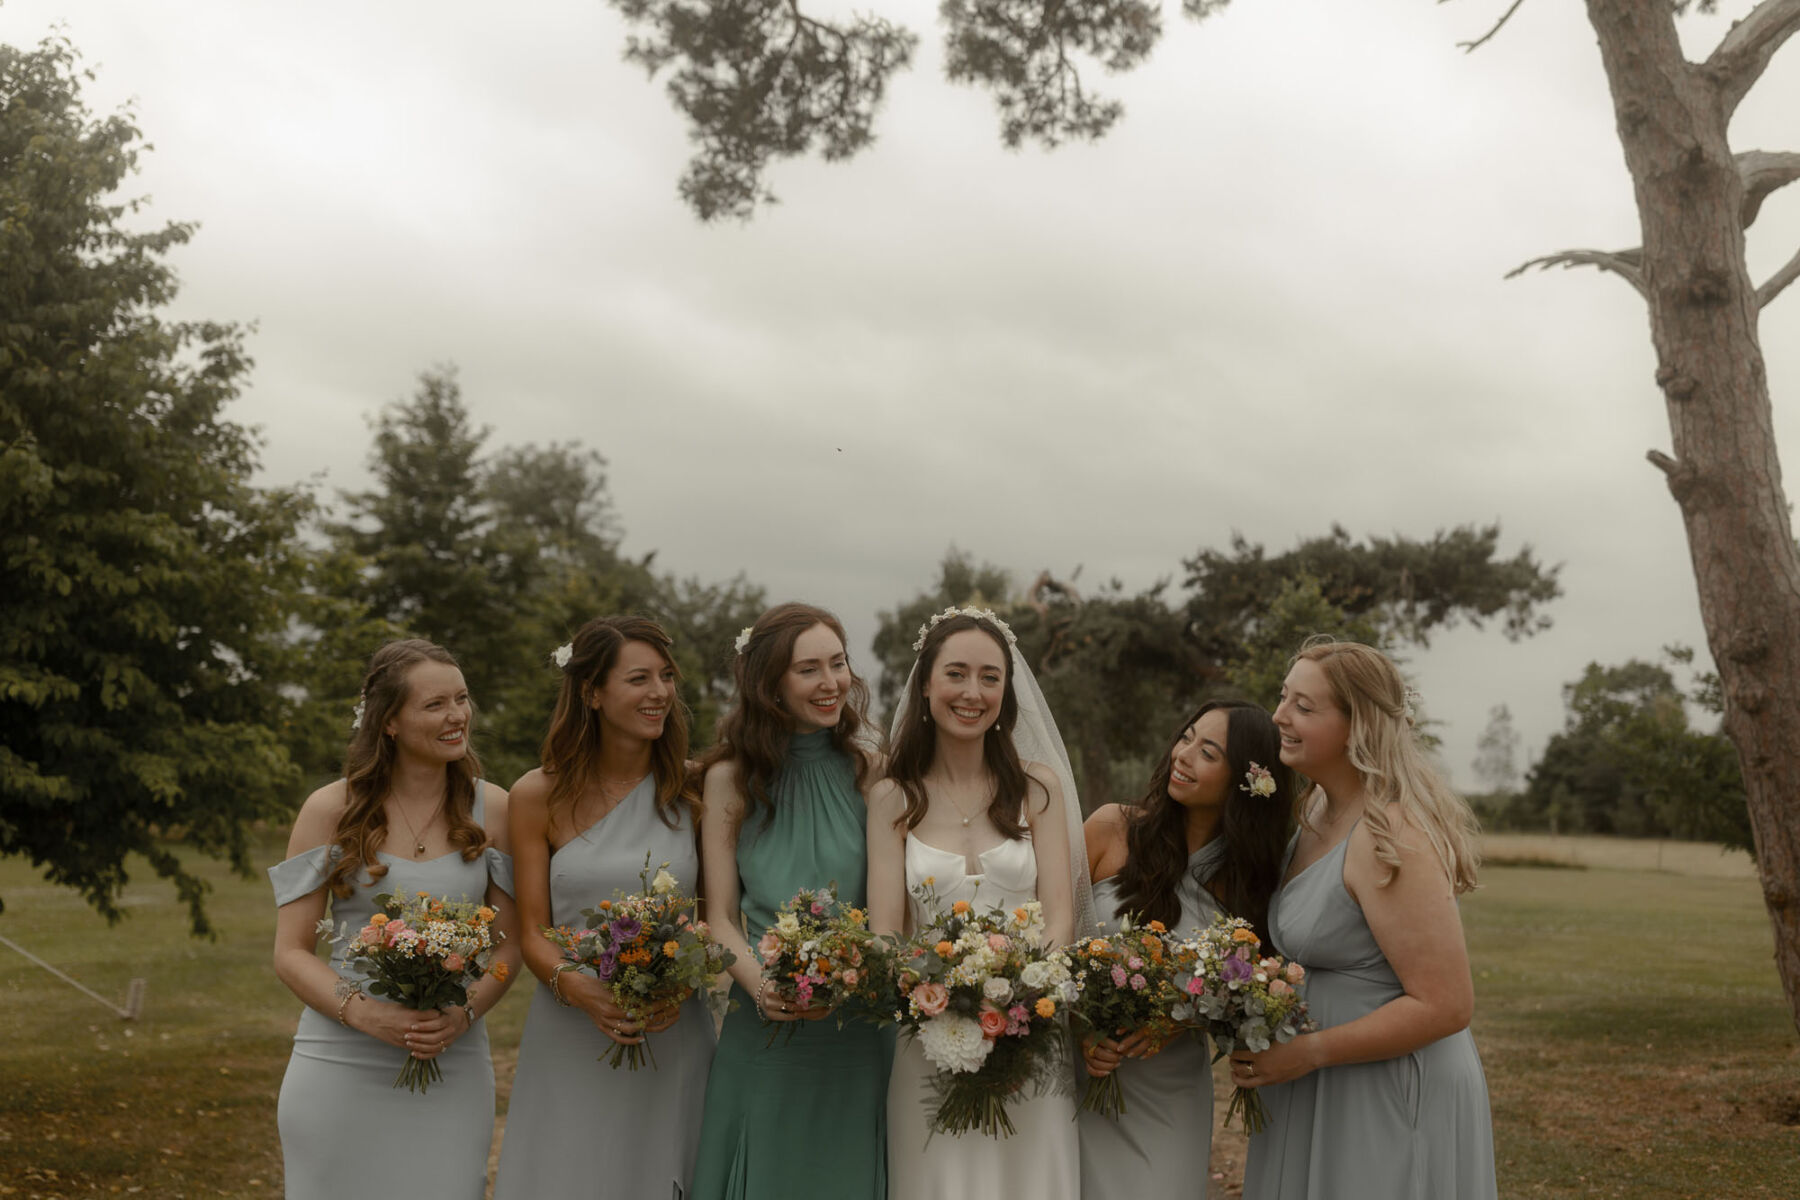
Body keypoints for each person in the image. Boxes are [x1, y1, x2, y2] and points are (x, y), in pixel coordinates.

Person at [1235, 638, 1497, 1200]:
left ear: (1358, 727)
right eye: (1284, 698)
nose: (1279, 715)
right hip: (1321, 1081)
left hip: (1385, 1088)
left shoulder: (1389, 834)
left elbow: (1447, 1003)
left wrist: (1310, 1051)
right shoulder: (1315, 810)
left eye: (1304, 707)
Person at [270, 639, 519, 1200]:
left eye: (461, 698)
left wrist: (463, 1011)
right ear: (389, 722)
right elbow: (290, 953)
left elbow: (510, 948)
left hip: (452, 1064)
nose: (457, 716)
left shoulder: (496, 809)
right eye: (435, 705)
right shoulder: (330, 809)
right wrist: (370, 1017)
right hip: (338, 1060)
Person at [867, 606, 1093, 1198]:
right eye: (957, 674)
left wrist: (1021, 1005)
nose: (973, 692)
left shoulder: (1038, 787)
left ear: (1007, 692)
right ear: (926, 686)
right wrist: (934, 1004)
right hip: (928, 1039)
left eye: (990, 677)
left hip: (1031, 1039)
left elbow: (1060, 914)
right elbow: (888, 928)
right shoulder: (893, 796)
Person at [493, 616, 713, 1199]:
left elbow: (714, 920)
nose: (660, 692)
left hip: (673, 1028)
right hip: (571, 1027)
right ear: (592, 693)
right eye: (639, 678)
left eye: (666, 676)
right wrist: (581, 989)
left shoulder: (695, 792)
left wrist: (681, 982)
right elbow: (533, 931)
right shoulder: (537, 795)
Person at [688, 603, 889, 1200]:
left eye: (838, 663)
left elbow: (885, 918)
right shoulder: (730, 778)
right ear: (770, 684)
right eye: (809, 669)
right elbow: (718, 915)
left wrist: (846, 977)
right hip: (761, 1023)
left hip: (855, 1030)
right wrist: (760, 986)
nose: (831, 683)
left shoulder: (873, 773)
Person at [1076, 699, 1295, 1200]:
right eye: (1187, 737)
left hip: (1169, 1087)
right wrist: (1081, 1027)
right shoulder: (1111, 827)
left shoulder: (1254, 884)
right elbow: (1051, 940)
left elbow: (1255, 989)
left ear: (1244, 779)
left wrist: (1183, 1017)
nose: (1184, 754)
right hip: (1082, 1068)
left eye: (1209, 751)